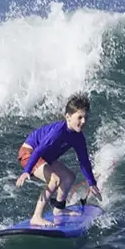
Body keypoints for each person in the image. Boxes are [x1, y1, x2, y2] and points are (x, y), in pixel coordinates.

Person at [15, 93, 102, 226]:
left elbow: (84, 161)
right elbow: (38, 150)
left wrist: (92, 183)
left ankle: (59, 209)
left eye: (85, 117)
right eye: (79, 117)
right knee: (55, 179)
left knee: (68, 176)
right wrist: (27, 170)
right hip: (30, 154)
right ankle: (36, 216)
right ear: (68, 117)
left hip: (44, 157)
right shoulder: (58, 132)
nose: (83, 121)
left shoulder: (78, 137)